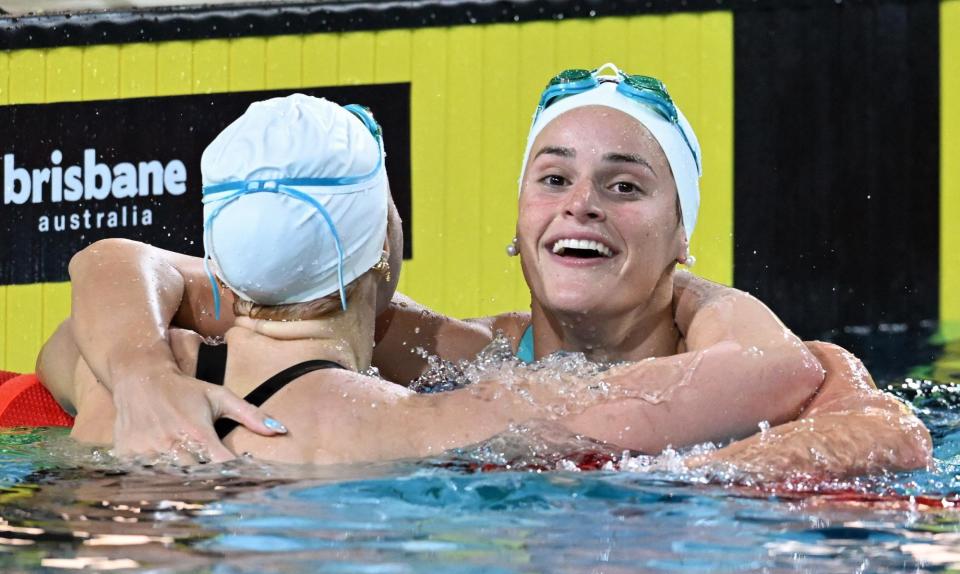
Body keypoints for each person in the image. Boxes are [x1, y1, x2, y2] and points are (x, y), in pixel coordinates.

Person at [39, 65, 931, 476]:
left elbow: (886, 429)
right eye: (554, 179)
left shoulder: (741, 340)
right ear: (517, 224)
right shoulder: (450, 357)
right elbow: (141, 265)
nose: (582, 202)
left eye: (624, 186)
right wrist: (142, 367)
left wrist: (676, 475)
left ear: (684, 230)